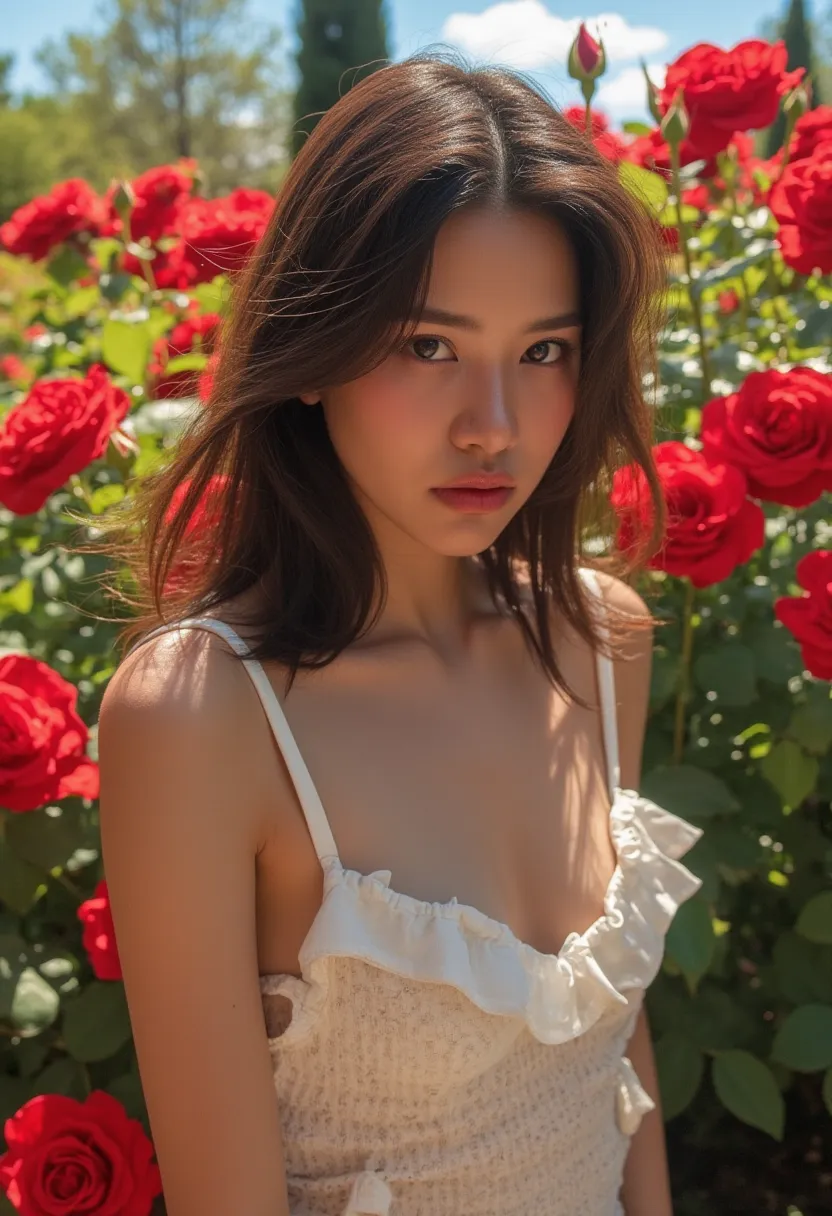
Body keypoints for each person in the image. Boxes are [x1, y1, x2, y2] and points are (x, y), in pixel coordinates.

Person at [96, 50, 703, 1216]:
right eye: (427, 345)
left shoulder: (600, 642)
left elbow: (613, 1064)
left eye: (543, 352)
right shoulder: (205, 714)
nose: (492, 425)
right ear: (311, 351)